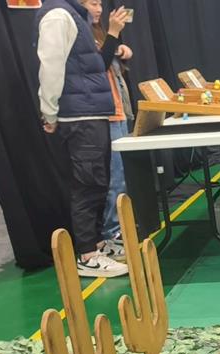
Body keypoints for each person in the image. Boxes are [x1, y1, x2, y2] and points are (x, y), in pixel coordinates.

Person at [37, 0, 128, 278]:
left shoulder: (75, 17)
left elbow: (95, 65)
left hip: (92, 112)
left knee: (97, 182)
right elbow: (50, 67)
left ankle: (97, 244)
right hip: (78, 116)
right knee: (87, 185)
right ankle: (88, 255)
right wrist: (49, 111)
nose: (97, 5)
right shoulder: (58, 16)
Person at [83, 0, 134, 251]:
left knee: (122, 176)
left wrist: (120, 49)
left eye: (100, 3)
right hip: (104, 114)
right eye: (92, 3)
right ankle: (111, 232)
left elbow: (109, 60)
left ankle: (119, 227)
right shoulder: (80, 35)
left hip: (119, 109)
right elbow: (97, 66)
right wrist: (113, 35)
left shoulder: (99, 33)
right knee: (114, 178)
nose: (99, 8)